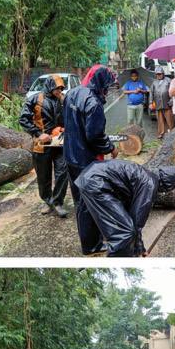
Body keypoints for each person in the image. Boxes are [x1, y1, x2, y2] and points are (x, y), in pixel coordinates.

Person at [61, 66, 118, 255]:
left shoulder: (72, 93)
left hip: (70, 155)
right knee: (89, 203)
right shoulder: (93, 104)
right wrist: (110, 147)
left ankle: (91, 238)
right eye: (106, 86)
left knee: (80, 201)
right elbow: (95, 136)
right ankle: (91, 245)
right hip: (86, 159)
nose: (107, 90)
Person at [73, 160, 175, 257]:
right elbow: (137, 221)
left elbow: (128, 208)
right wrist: (138, 249)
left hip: (87, 175)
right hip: (97, 182)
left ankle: (91, 248)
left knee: (88, 216)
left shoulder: (146, 175)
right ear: (168, 184)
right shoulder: (150, 184)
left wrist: (139, 247)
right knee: (125, 232)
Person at [18, 74, 69, 217]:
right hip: (42, 144)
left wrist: (65, 128)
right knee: (43, 176)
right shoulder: (36, 99)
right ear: (50, 86)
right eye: (57, 88)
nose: (59, 91)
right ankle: (48, 201)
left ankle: (58, 202)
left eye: (61, 88)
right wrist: (38, 133)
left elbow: (70, 117)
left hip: (59, 143)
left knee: (62, 172)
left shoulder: (63, 100)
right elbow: (23, 119)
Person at [149, 70, 173, 138]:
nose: (158, 75)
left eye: (160, 74)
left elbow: (173, 91)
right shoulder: (154, 82)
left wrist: (171, 101)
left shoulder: (168, 80)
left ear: (163, 74)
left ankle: (172, 132)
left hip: (167, 104)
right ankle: (161, 133)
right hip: (158, 104)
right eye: (157, 74)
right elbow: (151, 93)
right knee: (160, 120)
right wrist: (150, 102)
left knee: (170, 119)